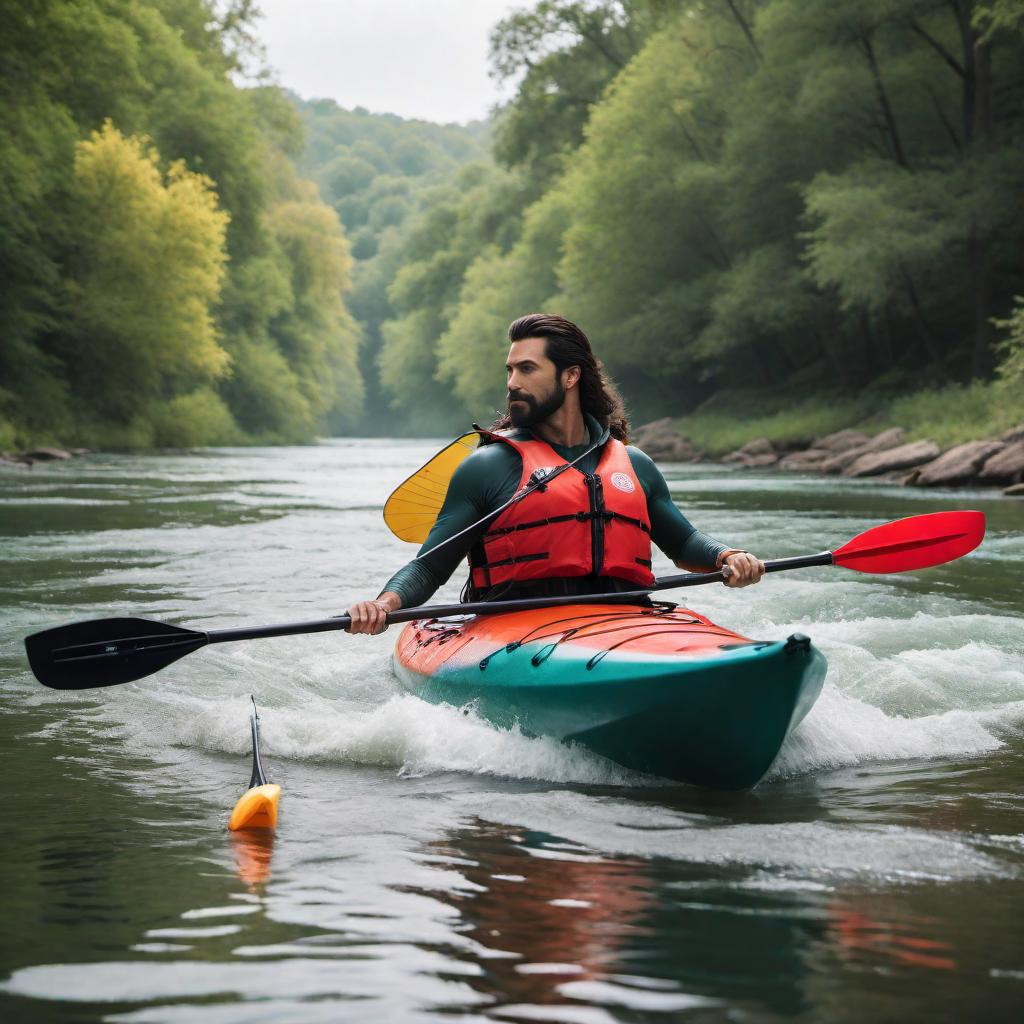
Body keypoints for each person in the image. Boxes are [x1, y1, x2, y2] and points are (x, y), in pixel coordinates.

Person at [347, 313, 764, 635]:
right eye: (509, 371)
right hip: (519, 629)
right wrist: (383, 606)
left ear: (570, 376)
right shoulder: (488, 468)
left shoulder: (634, 464)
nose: (512, 383)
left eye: (526, 369)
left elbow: (683, 541)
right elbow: (429, 568)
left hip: (628, 621)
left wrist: (726, 556)